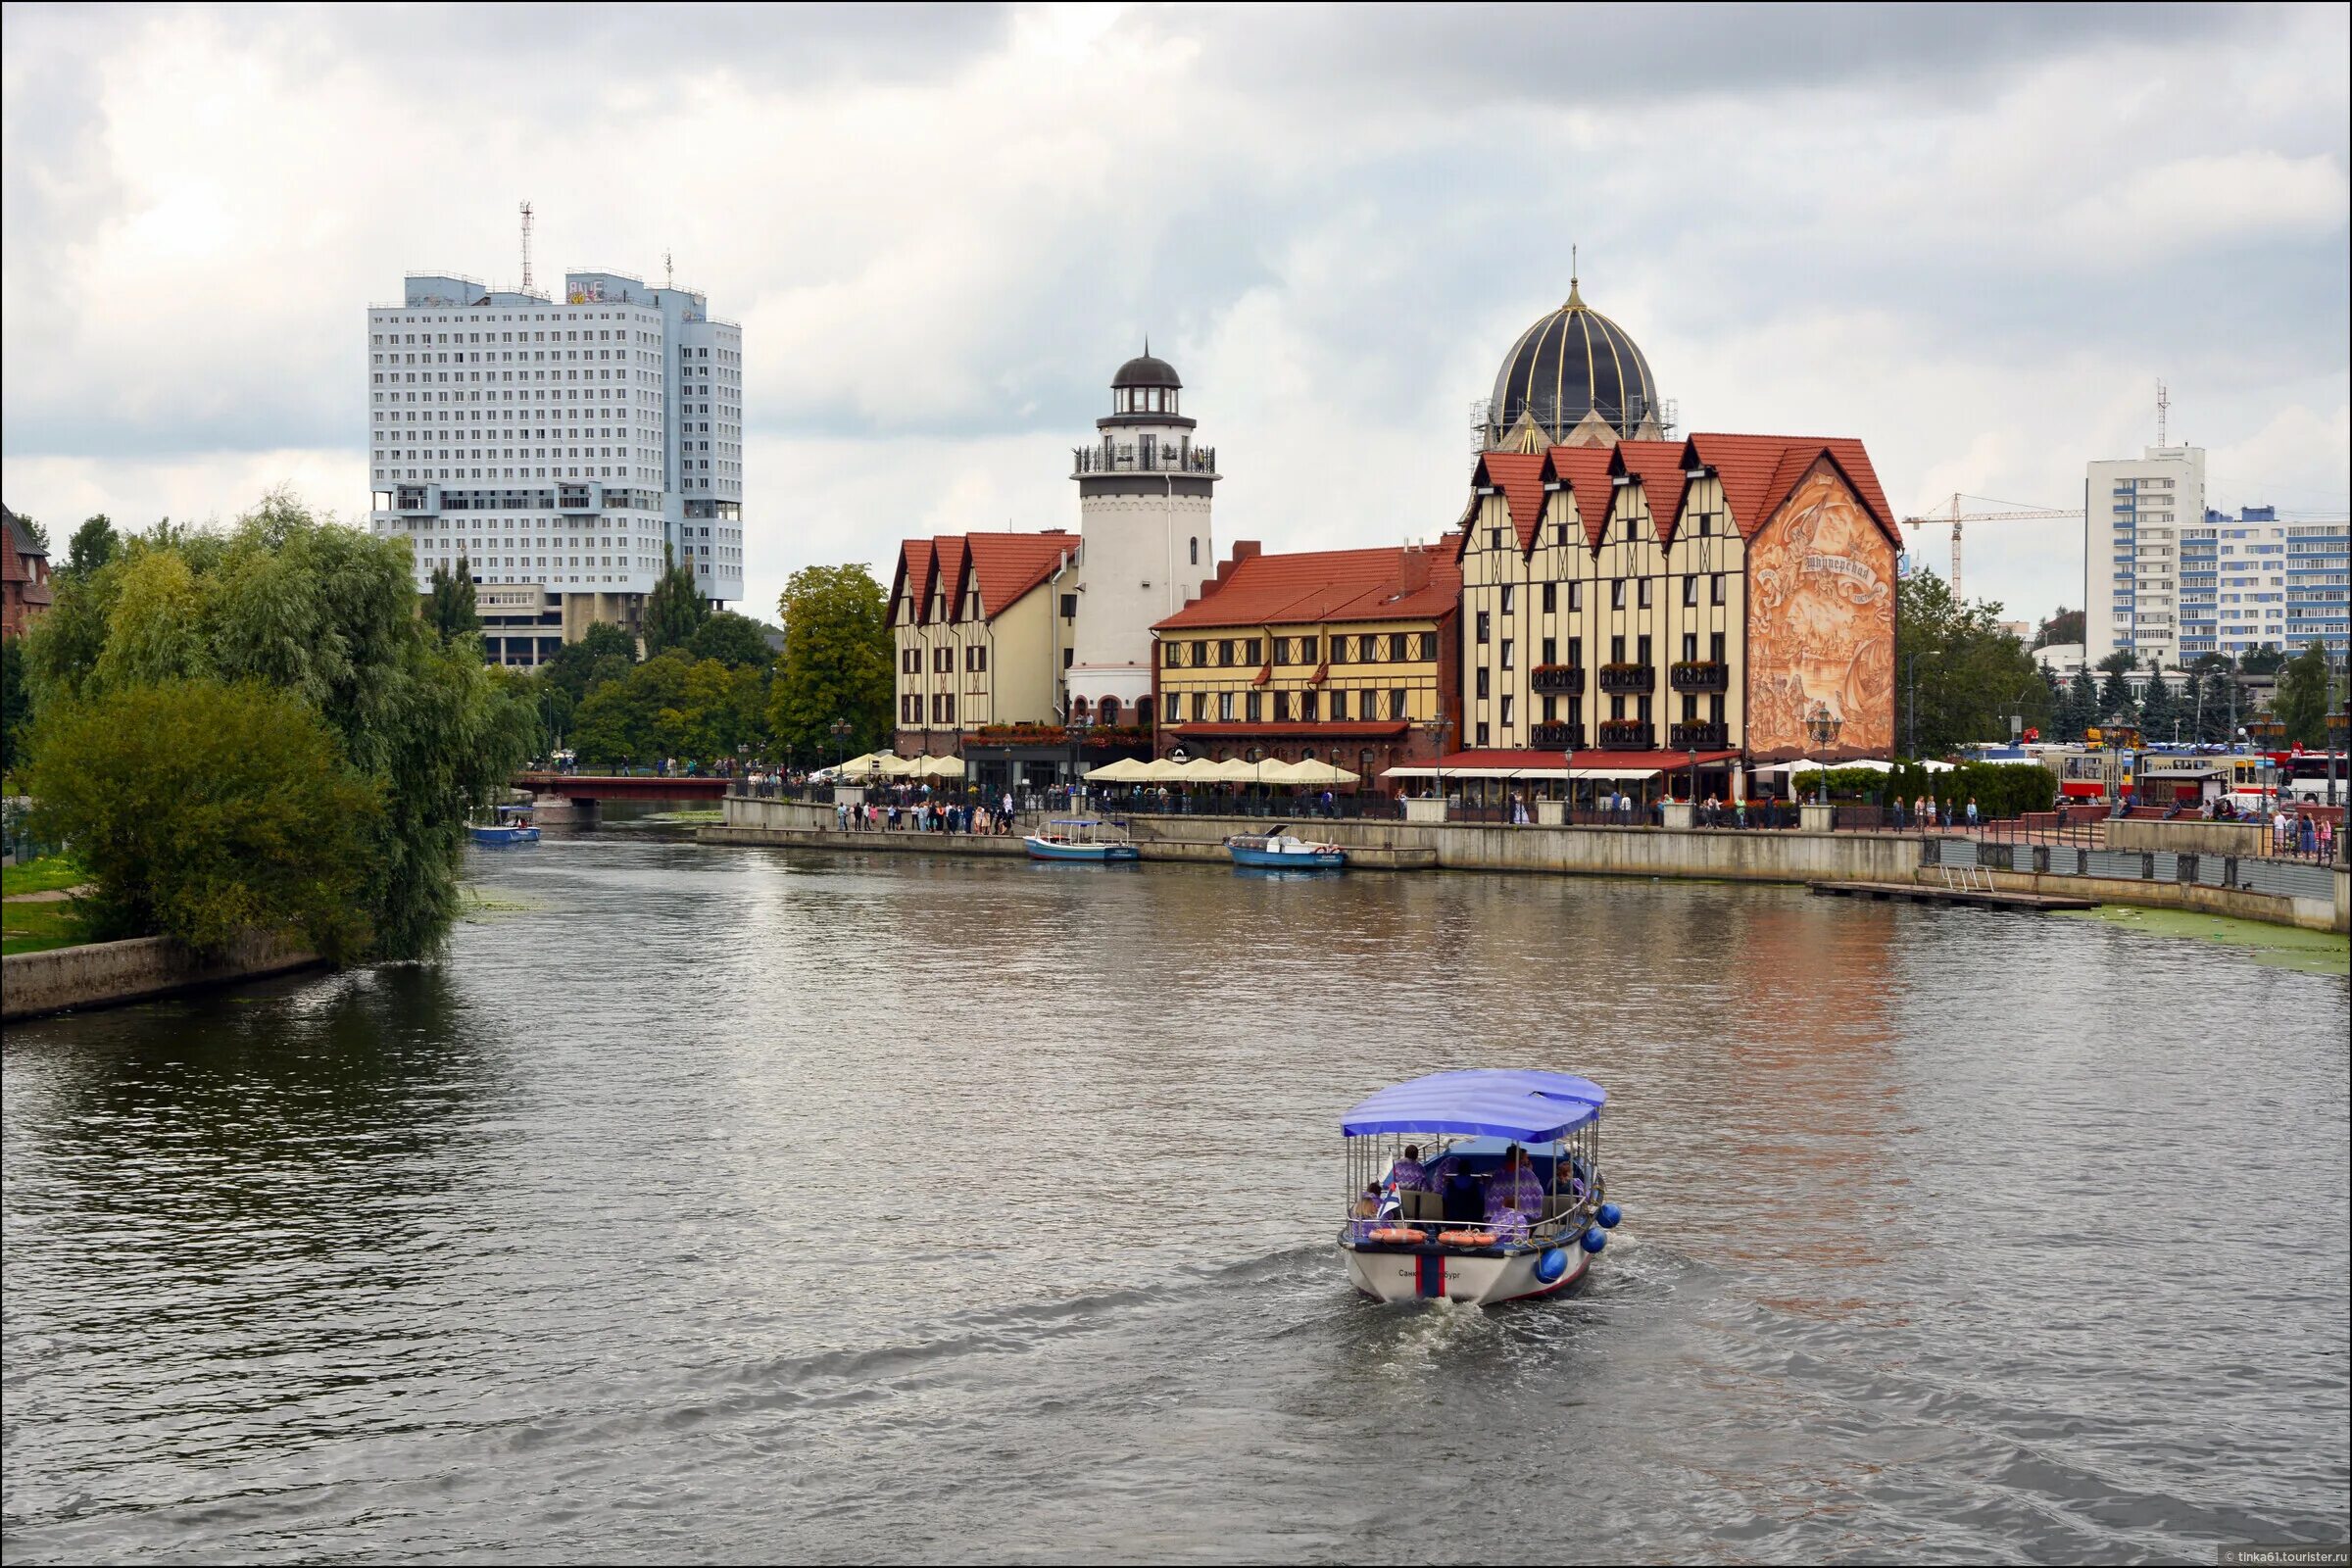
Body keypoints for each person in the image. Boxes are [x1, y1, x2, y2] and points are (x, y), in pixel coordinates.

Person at [1486, 1145, 1544, 1222]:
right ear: (1520, 1158)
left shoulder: (1497, 1174)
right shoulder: (1528, 1174)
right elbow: (1539, 1193)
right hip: (1523, 1215)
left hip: (1499, 1217)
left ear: (1507, 1156)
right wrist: (1534, 1210)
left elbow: (1488, 1193)